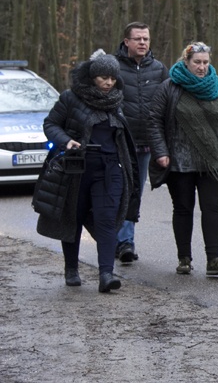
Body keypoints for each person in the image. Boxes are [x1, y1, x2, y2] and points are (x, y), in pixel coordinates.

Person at [37, 51, 138, 292]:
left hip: (110, 168)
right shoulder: (71, 98)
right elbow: (50, 124)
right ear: (93, 76)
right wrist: (66, 141)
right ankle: (71, 268)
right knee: (74, 216)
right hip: (76, 168)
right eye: (104, 78)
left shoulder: (116, 100)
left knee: (107, 219)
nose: (109, 83)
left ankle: (106, 274)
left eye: (112, 78)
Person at [148, 41, 218, 277]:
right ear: (186, 62)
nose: (201, 67)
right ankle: (184, 259)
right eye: (197, 62)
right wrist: (161, 152)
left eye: (205, 62)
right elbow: (154, 121)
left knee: (212, 208)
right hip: (180, 162)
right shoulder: (169, 87)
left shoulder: (217, 87)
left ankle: (214, 259)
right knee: (183, 209)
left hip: (213, 161)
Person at [114, 21, 169, 264]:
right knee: (116, 190)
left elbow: (170, 104)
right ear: (127, 41)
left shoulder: (158, 69)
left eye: (146, 39)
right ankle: (115, 239)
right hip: (117, 142)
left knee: (135, 190)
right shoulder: (112, 67)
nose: (143, 43)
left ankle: (125, 242)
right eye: (138, 39)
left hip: (145, 143)